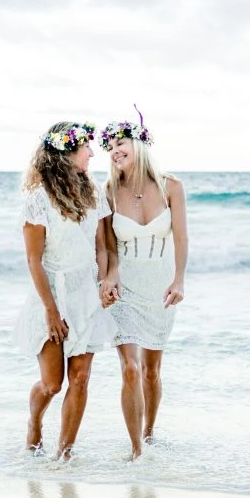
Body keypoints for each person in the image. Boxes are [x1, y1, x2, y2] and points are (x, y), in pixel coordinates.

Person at [13, 121, 117, 461]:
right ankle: (34, 425)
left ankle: (65, 454)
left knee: (81, 378)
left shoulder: (93, 193)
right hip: (51, 297)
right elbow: (34, 260)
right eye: (85, 148)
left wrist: (104, 282)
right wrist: (51, 311)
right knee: (52, 384)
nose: (91, 154)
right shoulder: (38, 199)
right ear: (66, 152)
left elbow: (102, 246)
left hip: (85, 293)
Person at [99, 111, 188, 460]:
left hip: (160, 288)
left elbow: (181, 238)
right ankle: (136, 450)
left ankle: (149, 434)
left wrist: (179, 280)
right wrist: (109, 276)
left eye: (119, 143)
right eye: (109, 147)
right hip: (126, 289)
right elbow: (108, 246)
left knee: (151, 371)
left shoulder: (171, 186)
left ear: (139, 144)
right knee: (130, 368)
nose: (114, 151)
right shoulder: (109, 191)